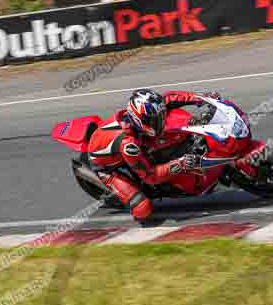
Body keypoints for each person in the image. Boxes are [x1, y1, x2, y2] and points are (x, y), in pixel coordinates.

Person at [86, 88, 221, 221]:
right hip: (106, 167)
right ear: (140, 120)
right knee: (143, 210)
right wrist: (180, 163)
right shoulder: (129, 145)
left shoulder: (143, 117)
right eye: (155, 120)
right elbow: (151, 176)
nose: (161, 121)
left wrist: (202, 98)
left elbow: (169, 98)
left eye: (160, 116)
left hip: (125, 139)